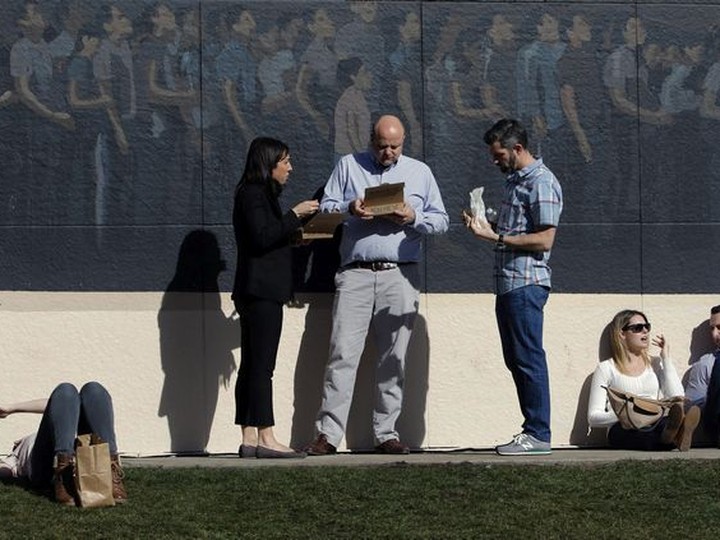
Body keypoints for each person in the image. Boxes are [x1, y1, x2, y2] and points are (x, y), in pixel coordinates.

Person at [305, 114, 449, 456]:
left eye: (395, 147)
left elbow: (441, 221)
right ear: (371, 141)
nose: (388, 153)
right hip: (354, 272)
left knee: (393, 357)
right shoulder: (348, 165)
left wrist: (413, 217)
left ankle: (386, 432)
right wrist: (349, 208)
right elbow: (325, 210)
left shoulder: (420, 172)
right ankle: (328, 435)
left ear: (404, 142)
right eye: (382, 146)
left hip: (399, 274)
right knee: (342, 353)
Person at [463, 118, 562, 456]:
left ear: (518, 149)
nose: (495, 161)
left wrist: (498, 236)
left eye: (499, 154)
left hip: (526, 284)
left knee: (529, 357)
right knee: (517, 358)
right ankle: (532, 431)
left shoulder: (541, 182)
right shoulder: (515, 182)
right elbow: (516, 230)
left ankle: (538, 433)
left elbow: (545, 239)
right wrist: (486, 225)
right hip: (508, 284)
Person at [232, 137, 319, 459]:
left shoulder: (254, 194)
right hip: (261, 291)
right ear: (269, 164)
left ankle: (250, 436)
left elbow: (267, 238)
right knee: (261, 366)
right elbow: (262, 235)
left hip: (257, 290)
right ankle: (266, 436)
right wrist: (295, 214)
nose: (290, 168)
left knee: (252, 365)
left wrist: (292, 238)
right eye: (285, 162)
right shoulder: (254, 194)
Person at [587, 310, 701, 451]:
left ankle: (673, 433)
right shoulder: (606, 368)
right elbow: (593, 418)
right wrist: (630, 414)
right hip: (623, 427)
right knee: (644, 435)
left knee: (664, 423)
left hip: (655, 421)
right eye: (638, 328)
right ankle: (676, 436)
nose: (645, 331)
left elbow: (677, 397)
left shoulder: (655, 363)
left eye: (647, 326)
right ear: (622, 334)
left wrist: (666, 358)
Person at [0, 382, 127, 506]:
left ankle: (110, 465)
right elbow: (4, 471)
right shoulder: (11, 460)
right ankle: (62, 471)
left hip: (75, 457)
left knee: (89, 390)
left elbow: (57, 404)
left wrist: (12, 408)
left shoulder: (47, 435)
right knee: (66, 391)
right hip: (44, 468)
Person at [684, 304, 720, 446]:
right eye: (712, 328)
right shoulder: (705, 363)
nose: (714, 335)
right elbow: (692, 407)